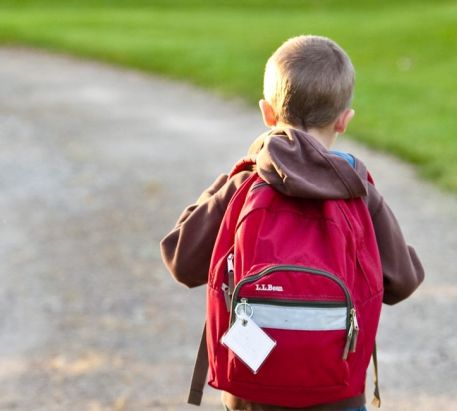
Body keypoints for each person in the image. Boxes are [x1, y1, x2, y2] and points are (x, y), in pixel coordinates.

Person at [160, 35, 425, 411]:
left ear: (267, 114)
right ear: (344, 120)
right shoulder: (357, 189)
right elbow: (402, 282)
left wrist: (232, 175)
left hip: (249, 388)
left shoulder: (245, 184)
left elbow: (181, 260)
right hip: (336, 391)